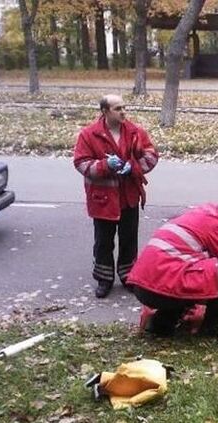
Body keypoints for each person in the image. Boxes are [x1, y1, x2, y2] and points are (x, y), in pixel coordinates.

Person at [126, 201, 218, 347]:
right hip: (162, 286)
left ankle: (162, 324)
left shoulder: (196, 216)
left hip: (142, 285)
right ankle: (216, 328)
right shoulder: (217, 223)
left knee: (190, 273)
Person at [74, 94, 158, 298]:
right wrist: (104, 166)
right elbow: (81, 163)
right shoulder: (89, 134)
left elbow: (151, 154)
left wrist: (134, 167)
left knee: (129, 239)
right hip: (103, 200)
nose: (123, 112)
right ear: (105, 111)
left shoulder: (135, 131)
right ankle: (104, 279)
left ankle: (129, 276)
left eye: (124, 107)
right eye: (117, 108)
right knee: (103, 241)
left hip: (129, 196)